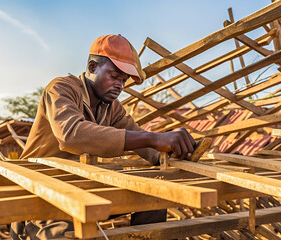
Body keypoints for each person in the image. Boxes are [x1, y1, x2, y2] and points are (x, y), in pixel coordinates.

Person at [11, 34, 196, 240]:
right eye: (114, 76)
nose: (120, 85)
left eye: (124, 80)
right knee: (62, 235)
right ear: (92, 67)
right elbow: (71, 135)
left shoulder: (111, 108)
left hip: (80, 187)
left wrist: (175, 153)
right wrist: (154, 138)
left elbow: (146, 145)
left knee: (154, 198)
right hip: (42, 190)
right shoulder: (61, 89)